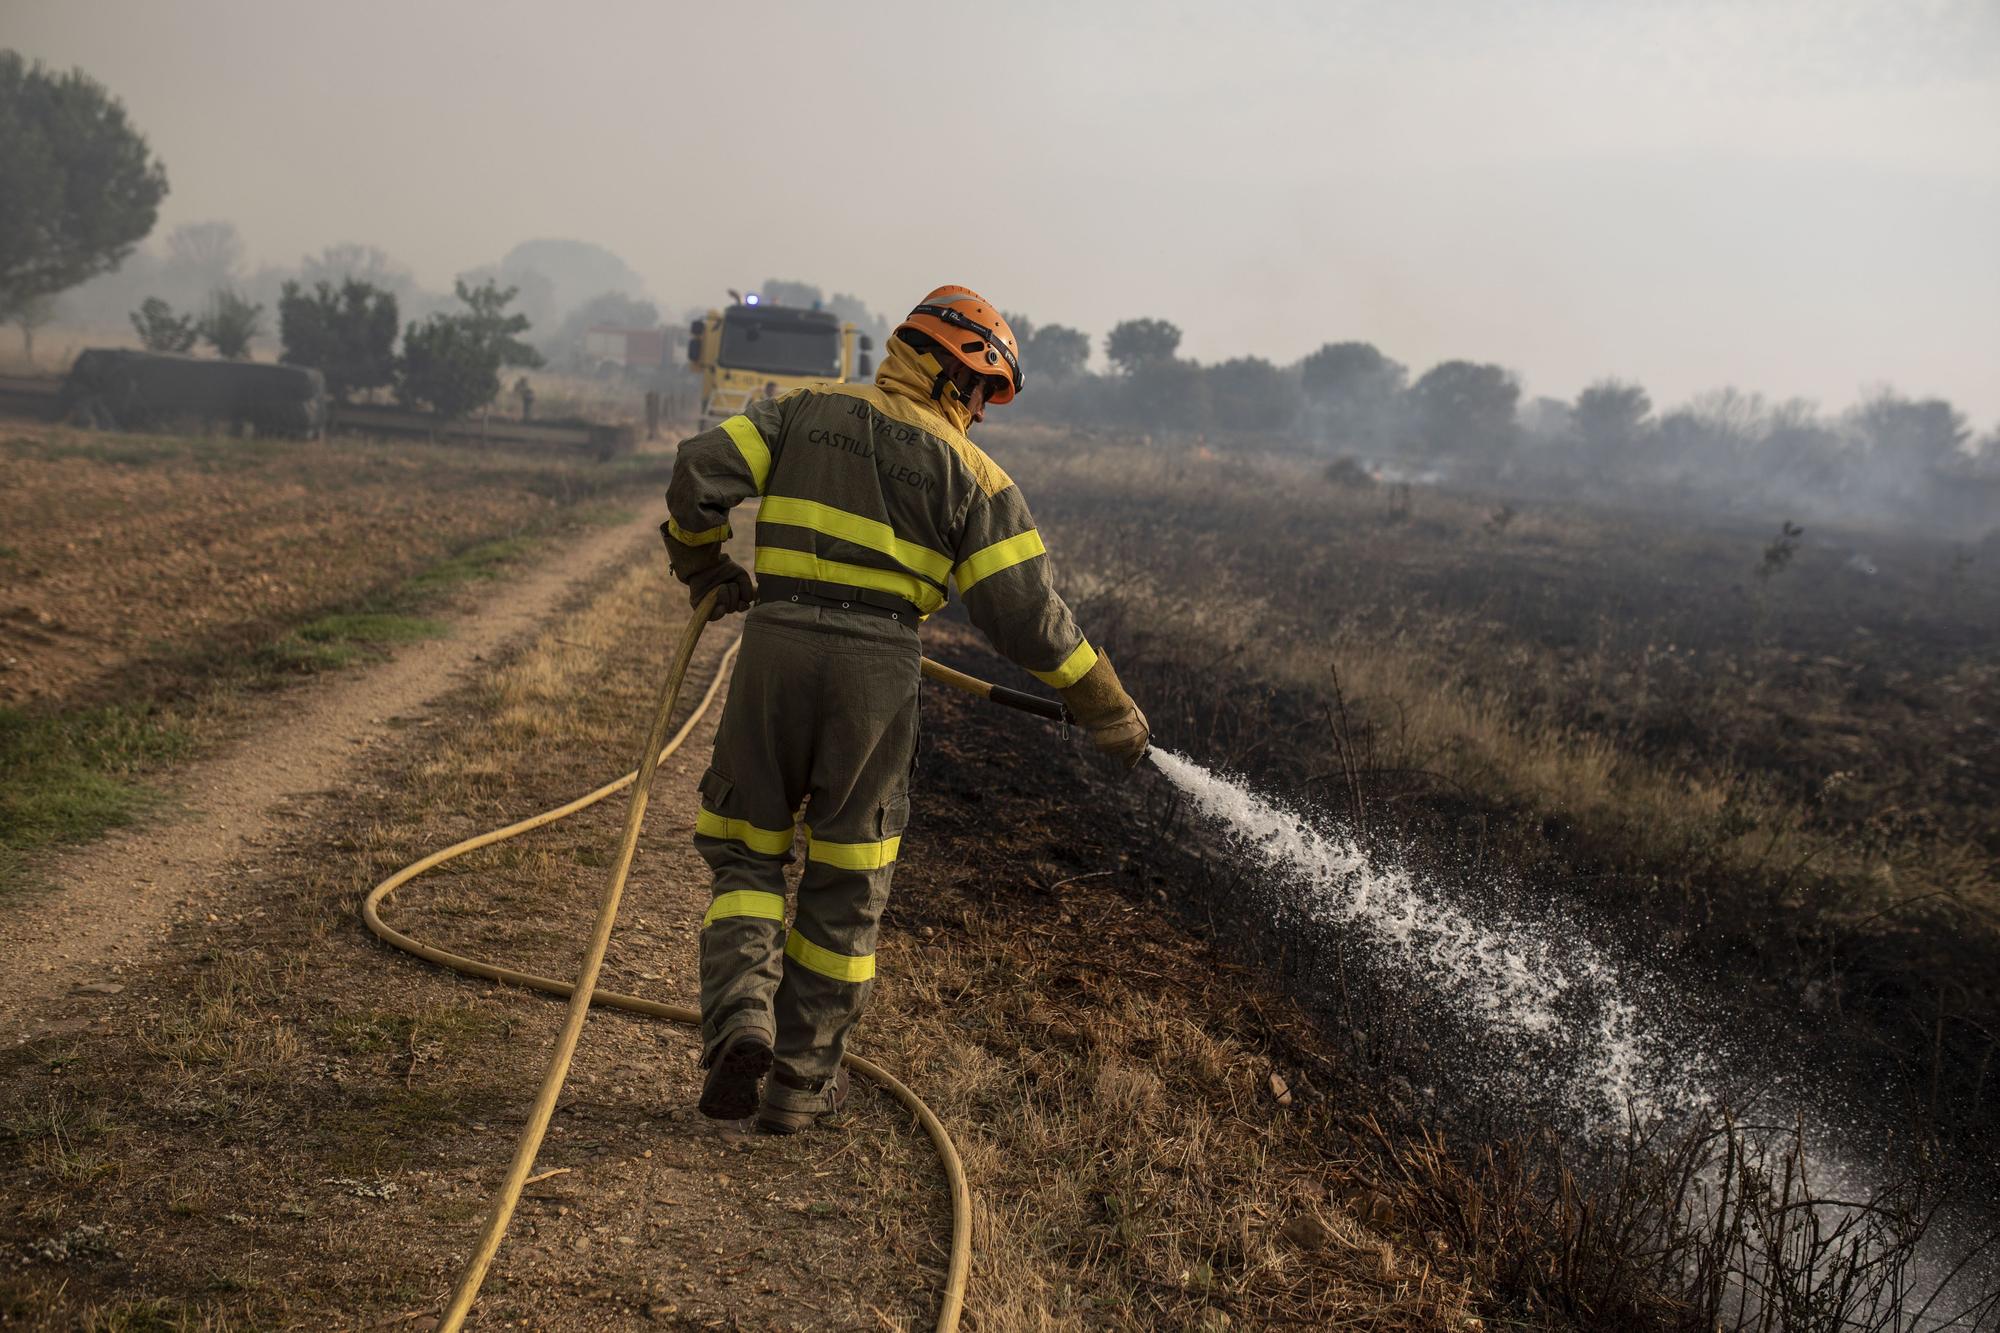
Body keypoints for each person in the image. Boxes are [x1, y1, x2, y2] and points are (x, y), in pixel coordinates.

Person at [659, 285, 1149, 1133]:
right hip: (879, 674)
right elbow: (1030, 619)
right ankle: (797, 1090)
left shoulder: (801, 410)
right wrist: (1106, 707)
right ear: (960, 376)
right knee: (847, 885)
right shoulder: (977, 478)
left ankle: (742, 1018)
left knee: (746, 854)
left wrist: (706, 568)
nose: (985, 415)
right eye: (986, 393)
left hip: (773, 648)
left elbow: (697, 473)